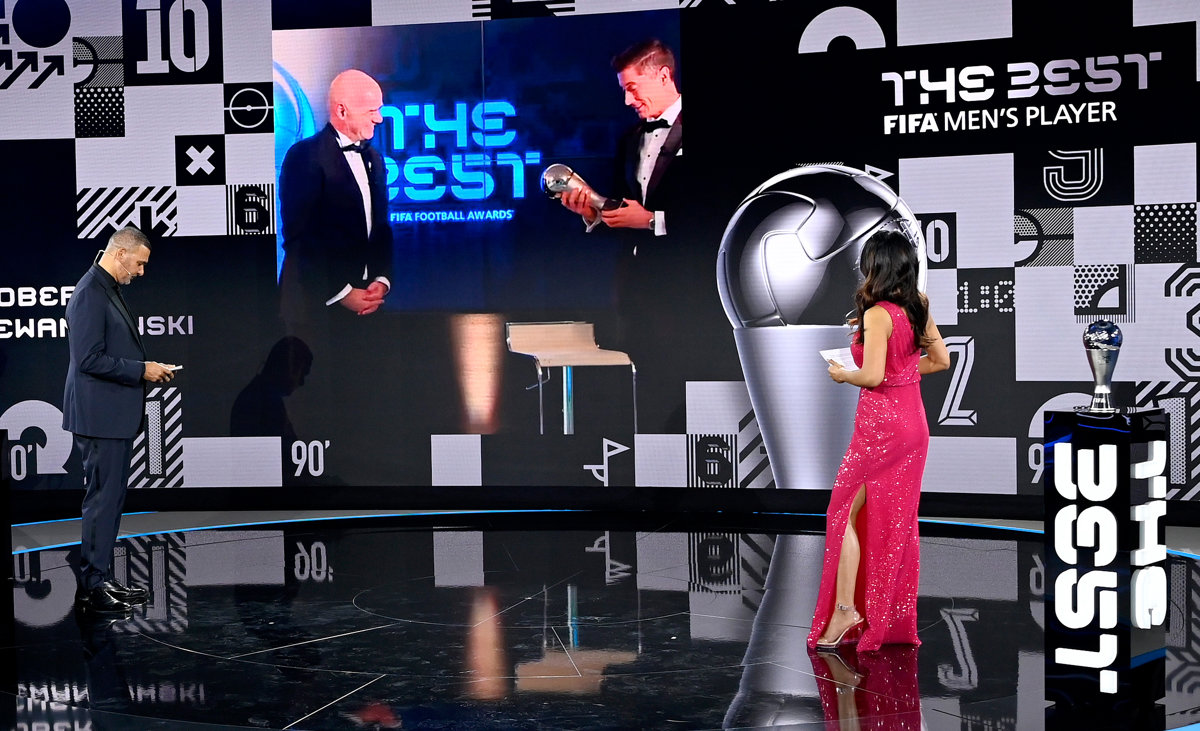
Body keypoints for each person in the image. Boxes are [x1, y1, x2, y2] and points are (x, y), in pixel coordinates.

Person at [806, 230, 950, 653]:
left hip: (881, 430)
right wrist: (897, 369)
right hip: (913, 426)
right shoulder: (918, 306)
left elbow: (870, 377)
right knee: (892, 522)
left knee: (842, 513)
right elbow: (941, 361)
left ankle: (846, 609)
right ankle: (872, 614)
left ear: (876, 267)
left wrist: (842, 374)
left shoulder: (877, 315)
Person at [63, 225, 175, 615]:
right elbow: (88, 359)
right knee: (101, 501)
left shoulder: (107, 289)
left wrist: (144, 366)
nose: (141, 272)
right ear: (120, 253)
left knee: (110, 501)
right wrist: (141, 369)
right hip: (99, 417)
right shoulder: (90, 294)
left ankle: (101, 578)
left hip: (110, 416)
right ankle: (92, 587)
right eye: (139, 264)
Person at [279, 68, 393, 335]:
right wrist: (342, 293)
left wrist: (381, 279)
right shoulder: (304, 156)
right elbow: (300, 237)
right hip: (314, 308)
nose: (379, 118)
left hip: (368, 307)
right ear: (342, 111)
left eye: (379, 109)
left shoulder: (374, 158)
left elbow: (381, 227)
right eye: (371, 111)